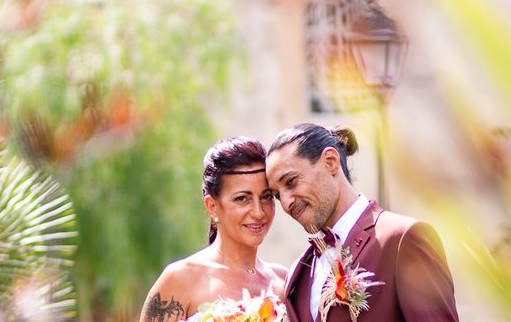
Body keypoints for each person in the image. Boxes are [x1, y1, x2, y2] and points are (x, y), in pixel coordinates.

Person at [266, 123, 459, 321]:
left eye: (291, 182)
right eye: (277, 196)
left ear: (331, 162)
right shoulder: (299, 272)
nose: (286, 203)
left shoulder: (402, 239)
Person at [140, 137, 287, 321]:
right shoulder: (180, 279)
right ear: (212, 206)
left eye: (266, 197)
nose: (258, 212)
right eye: (242, 198)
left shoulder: (283, 281)